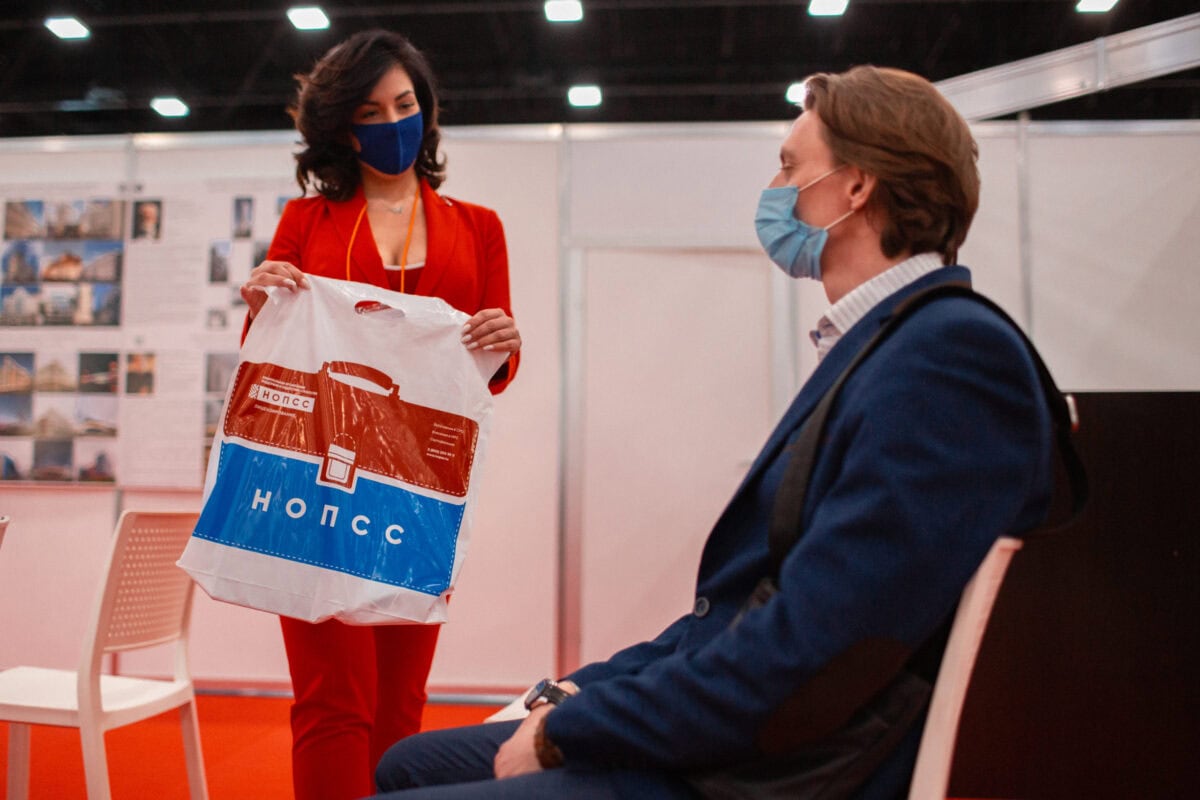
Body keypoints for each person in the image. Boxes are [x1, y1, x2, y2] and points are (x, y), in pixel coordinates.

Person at [370, 65, 1054, 799]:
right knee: (407, 764)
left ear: (857, 187)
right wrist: (581, 692)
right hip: (752, 734)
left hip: (777, 772)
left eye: (790, 166)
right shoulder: (890, 345)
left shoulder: (947, 355)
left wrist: (572, 729)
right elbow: (730, 615)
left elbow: (814, 646)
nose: (776, 187)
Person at [238, 29, 522, 800]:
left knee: (401, 702)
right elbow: (267, 352)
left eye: (404, 104)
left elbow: (494, 369)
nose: (394, 123)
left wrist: (504, 341)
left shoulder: (480, 226)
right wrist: (261, 302)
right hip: (314, 486)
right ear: (341, 126)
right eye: (370, 111)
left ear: (426, 109)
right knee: (333, 701)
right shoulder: (308, 220)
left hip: (419, 489)